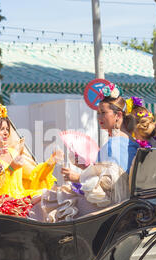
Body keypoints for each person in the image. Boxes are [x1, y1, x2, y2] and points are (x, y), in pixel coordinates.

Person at [30, 82, 139, 222]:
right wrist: (87, 169)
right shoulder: (128, 141)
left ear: (118, 115)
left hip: (108, 207)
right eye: (98, 113)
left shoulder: (115, 143)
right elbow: (112, 176)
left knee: (47, 202)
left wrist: (78, 177)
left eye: (103, 113)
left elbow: (110, 185)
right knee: (54, 195)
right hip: (115, 203)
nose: (99, 118)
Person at [0, 102, 60, 203]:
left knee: (53, 193)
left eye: (7, 129)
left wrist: (51, 162)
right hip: (3, 201)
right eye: (1, 129)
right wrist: (11, 169)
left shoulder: (14, 153)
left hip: (21, 196)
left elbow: (33, 176)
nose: (6, 133)